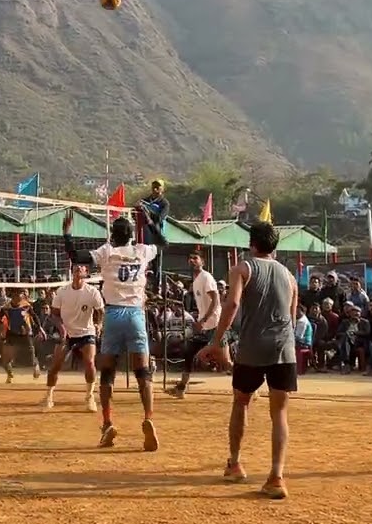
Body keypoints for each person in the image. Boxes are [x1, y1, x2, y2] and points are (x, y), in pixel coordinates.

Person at [200, 222, 298, 499]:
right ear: (274, 246)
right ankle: (276, 476)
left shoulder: (242, 268)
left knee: (241, 401)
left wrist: (216, 341)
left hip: (253, 347)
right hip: (284, 348)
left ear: (251, 243)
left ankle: (235, 463)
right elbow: (291, 316)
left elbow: (231, 305)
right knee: (279, 413)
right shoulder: (289, 275)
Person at [62, 209, 166, 451]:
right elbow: (163, 243)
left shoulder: (107, 252)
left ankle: (108, 424)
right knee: (143, 373)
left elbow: (75, 256)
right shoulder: (141, 251)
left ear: (113, 235)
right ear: (131, 236)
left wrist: (67, 233)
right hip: (135, 315)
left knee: (107, 373)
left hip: (114, 314)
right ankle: (148, 418)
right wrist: (151, 223)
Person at [42, 263, 103, 411]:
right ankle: (49, 396)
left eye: (81, 267)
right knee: (55, 365)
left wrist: (99, 324)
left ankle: (89, 397)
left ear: (86, 272)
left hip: (86, 332)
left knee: (89, 362)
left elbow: (100, 311)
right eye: (76, 267)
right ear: (71, 272)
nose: (78, 269)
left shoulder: (92, 292)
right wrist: (62, 328)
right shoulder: (62, 292)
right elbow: (54, 315)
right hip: (68, 333)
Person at [167, 251, 219, 398]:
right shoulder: (196, 281)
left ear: (202, 261)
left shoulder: (205, 277)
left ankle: (248, 388)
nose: (192, 261)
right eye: (190, 258)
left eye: (195, 258)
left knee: (224, 360)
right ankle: (181, 388)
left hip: (214, 324)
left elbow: (215, 301)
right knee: (189, 351)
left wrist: (203, 320)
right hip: (204, 325)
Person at [1, 290, 44, 384]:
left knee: (31, 354)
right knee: (5, 358)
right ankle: (9, 374)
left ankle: (36, 366)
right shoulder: (6, 307)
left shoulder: (26, 306)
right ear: (12, 295)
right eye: (16, 294)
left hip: (25, 333)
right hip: (11, 333)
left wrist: (40, 329)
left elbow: (35, 317)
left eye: (20, 294)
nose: (19, 296)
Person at [137, 180, 170, 296]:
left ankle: (157, 290)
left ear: (162, 189)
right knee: (142, 263)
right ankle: (142, 288)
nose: (155, 189)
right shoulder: (145, 200)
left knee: (156, 265)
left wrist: (148, 211)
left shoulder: (164, 203)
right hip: (144, 237)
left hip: (156, 237)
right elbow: (136, 214)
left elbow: (160, 218)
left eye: (158, 187)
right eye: (154, 186)